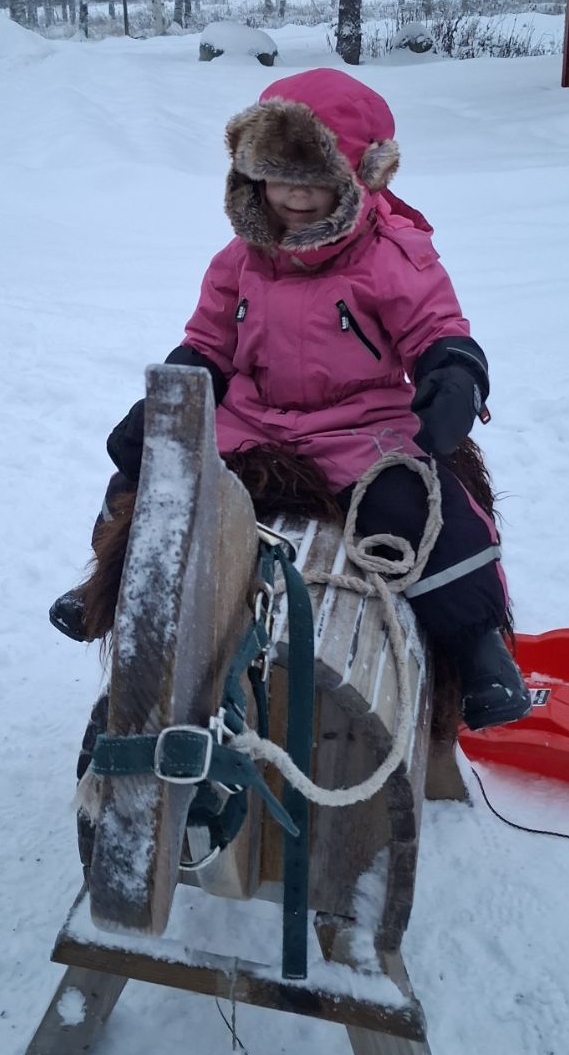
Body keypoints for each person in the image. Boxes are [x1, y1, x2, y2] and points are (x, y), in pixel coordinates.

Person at [52, 68, 531, 731]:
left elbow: (435, 325)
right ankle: (112, 588)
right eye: (281, 179)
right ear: (253, 178)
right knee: (153, 478)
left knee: (423, 510)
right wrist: (169, 401)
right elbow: (210, 342)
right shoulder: (238, 260)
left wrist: (453, 372)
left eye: (316, 180)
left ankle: (477, 649)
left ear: (357, 178)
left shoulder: (391, 254)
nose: (297, 197)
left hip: (358, 427)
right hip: (253, 419)